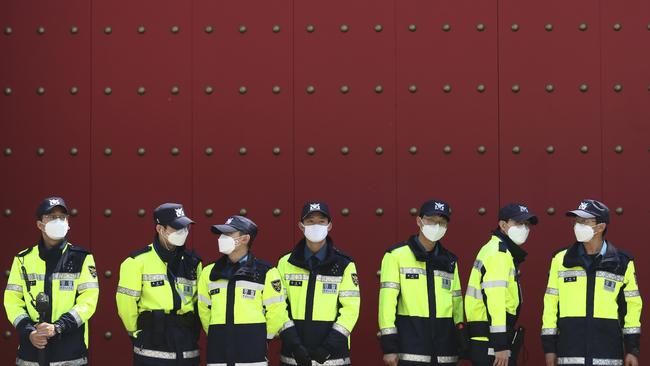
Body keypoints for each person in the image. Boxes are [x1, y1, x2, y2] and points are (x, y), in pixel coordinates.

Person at [541, 199, 642, 366]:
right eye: (577, 221)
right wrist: (549, 348)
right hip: (570, 353)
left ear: (600, 227)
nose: (578, 226)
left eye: (584, 221)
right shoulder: (560, 260)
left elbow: (632, 307)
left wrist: (632, 349)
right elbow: (551, 305)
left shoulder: (622, 263)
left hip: (608, 353)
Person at [4, 196, 99, 365]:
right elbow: (12, 301)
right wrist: (30, 332)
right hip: (31, 351)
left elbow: (88, 300)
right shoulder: (22, 259)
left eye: (62, 217)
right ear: (40, 225)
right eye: (51, 217)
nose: (58, 221)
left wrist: (58, 327)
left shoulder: (81, 258)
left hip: (70, 351)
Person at [198, 215, 296, 365]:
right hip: (218, 354)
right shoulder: (209, 273)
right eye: (222, 234)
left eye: (229, 234)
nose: (222, 238)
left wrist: (260, 338)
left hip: (252, 355)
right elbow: (204, 310)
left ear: (244, 239)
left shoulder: (267, 272)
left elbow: (277, 310)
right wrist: (217, 334)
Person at [379, 199, 465, 365]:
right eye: (431, 220)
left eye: (442, 222)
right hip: (411, 349)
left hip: (445, 351)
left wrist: (460, 339)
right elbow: (387, 304)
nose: (437, 226)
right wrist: (389, 346)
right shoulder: (396, 255)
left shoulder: (450, 261)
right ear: (419, 221)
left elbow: (457, 304)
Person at [116, 203, 202, 365]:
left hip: (187, 341)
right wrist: (136, 333)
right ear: (160, 229)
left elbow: (200, 302)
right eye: (177, 228)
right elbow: (125, 304)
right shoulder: (136, 261)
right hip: (152, 339)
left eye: (185, 228)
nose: (183, 232)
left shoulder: (193, 262)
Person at [277, 201, 361, 366]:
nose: (316, 225)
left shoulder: (344, 265)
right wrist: (294, 345)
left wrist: (328, 347)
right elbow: (278, 307)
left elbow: (351, 310)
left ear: (329, 225)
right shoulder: (285, 263)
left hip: (333, 357)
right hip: (293, 356)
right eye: (310, 221)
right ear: (301, 226)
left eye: (321, 221)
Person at [465, 203, 538, 366]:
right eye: (518, 223)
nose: (524, 228)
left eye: (527, 224)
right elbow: (495, 300)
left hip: (487, 337)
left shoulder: (495, 249)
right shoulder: (499, 253)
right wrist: (500, 343)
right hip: (491, 341)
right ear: (503, 225)